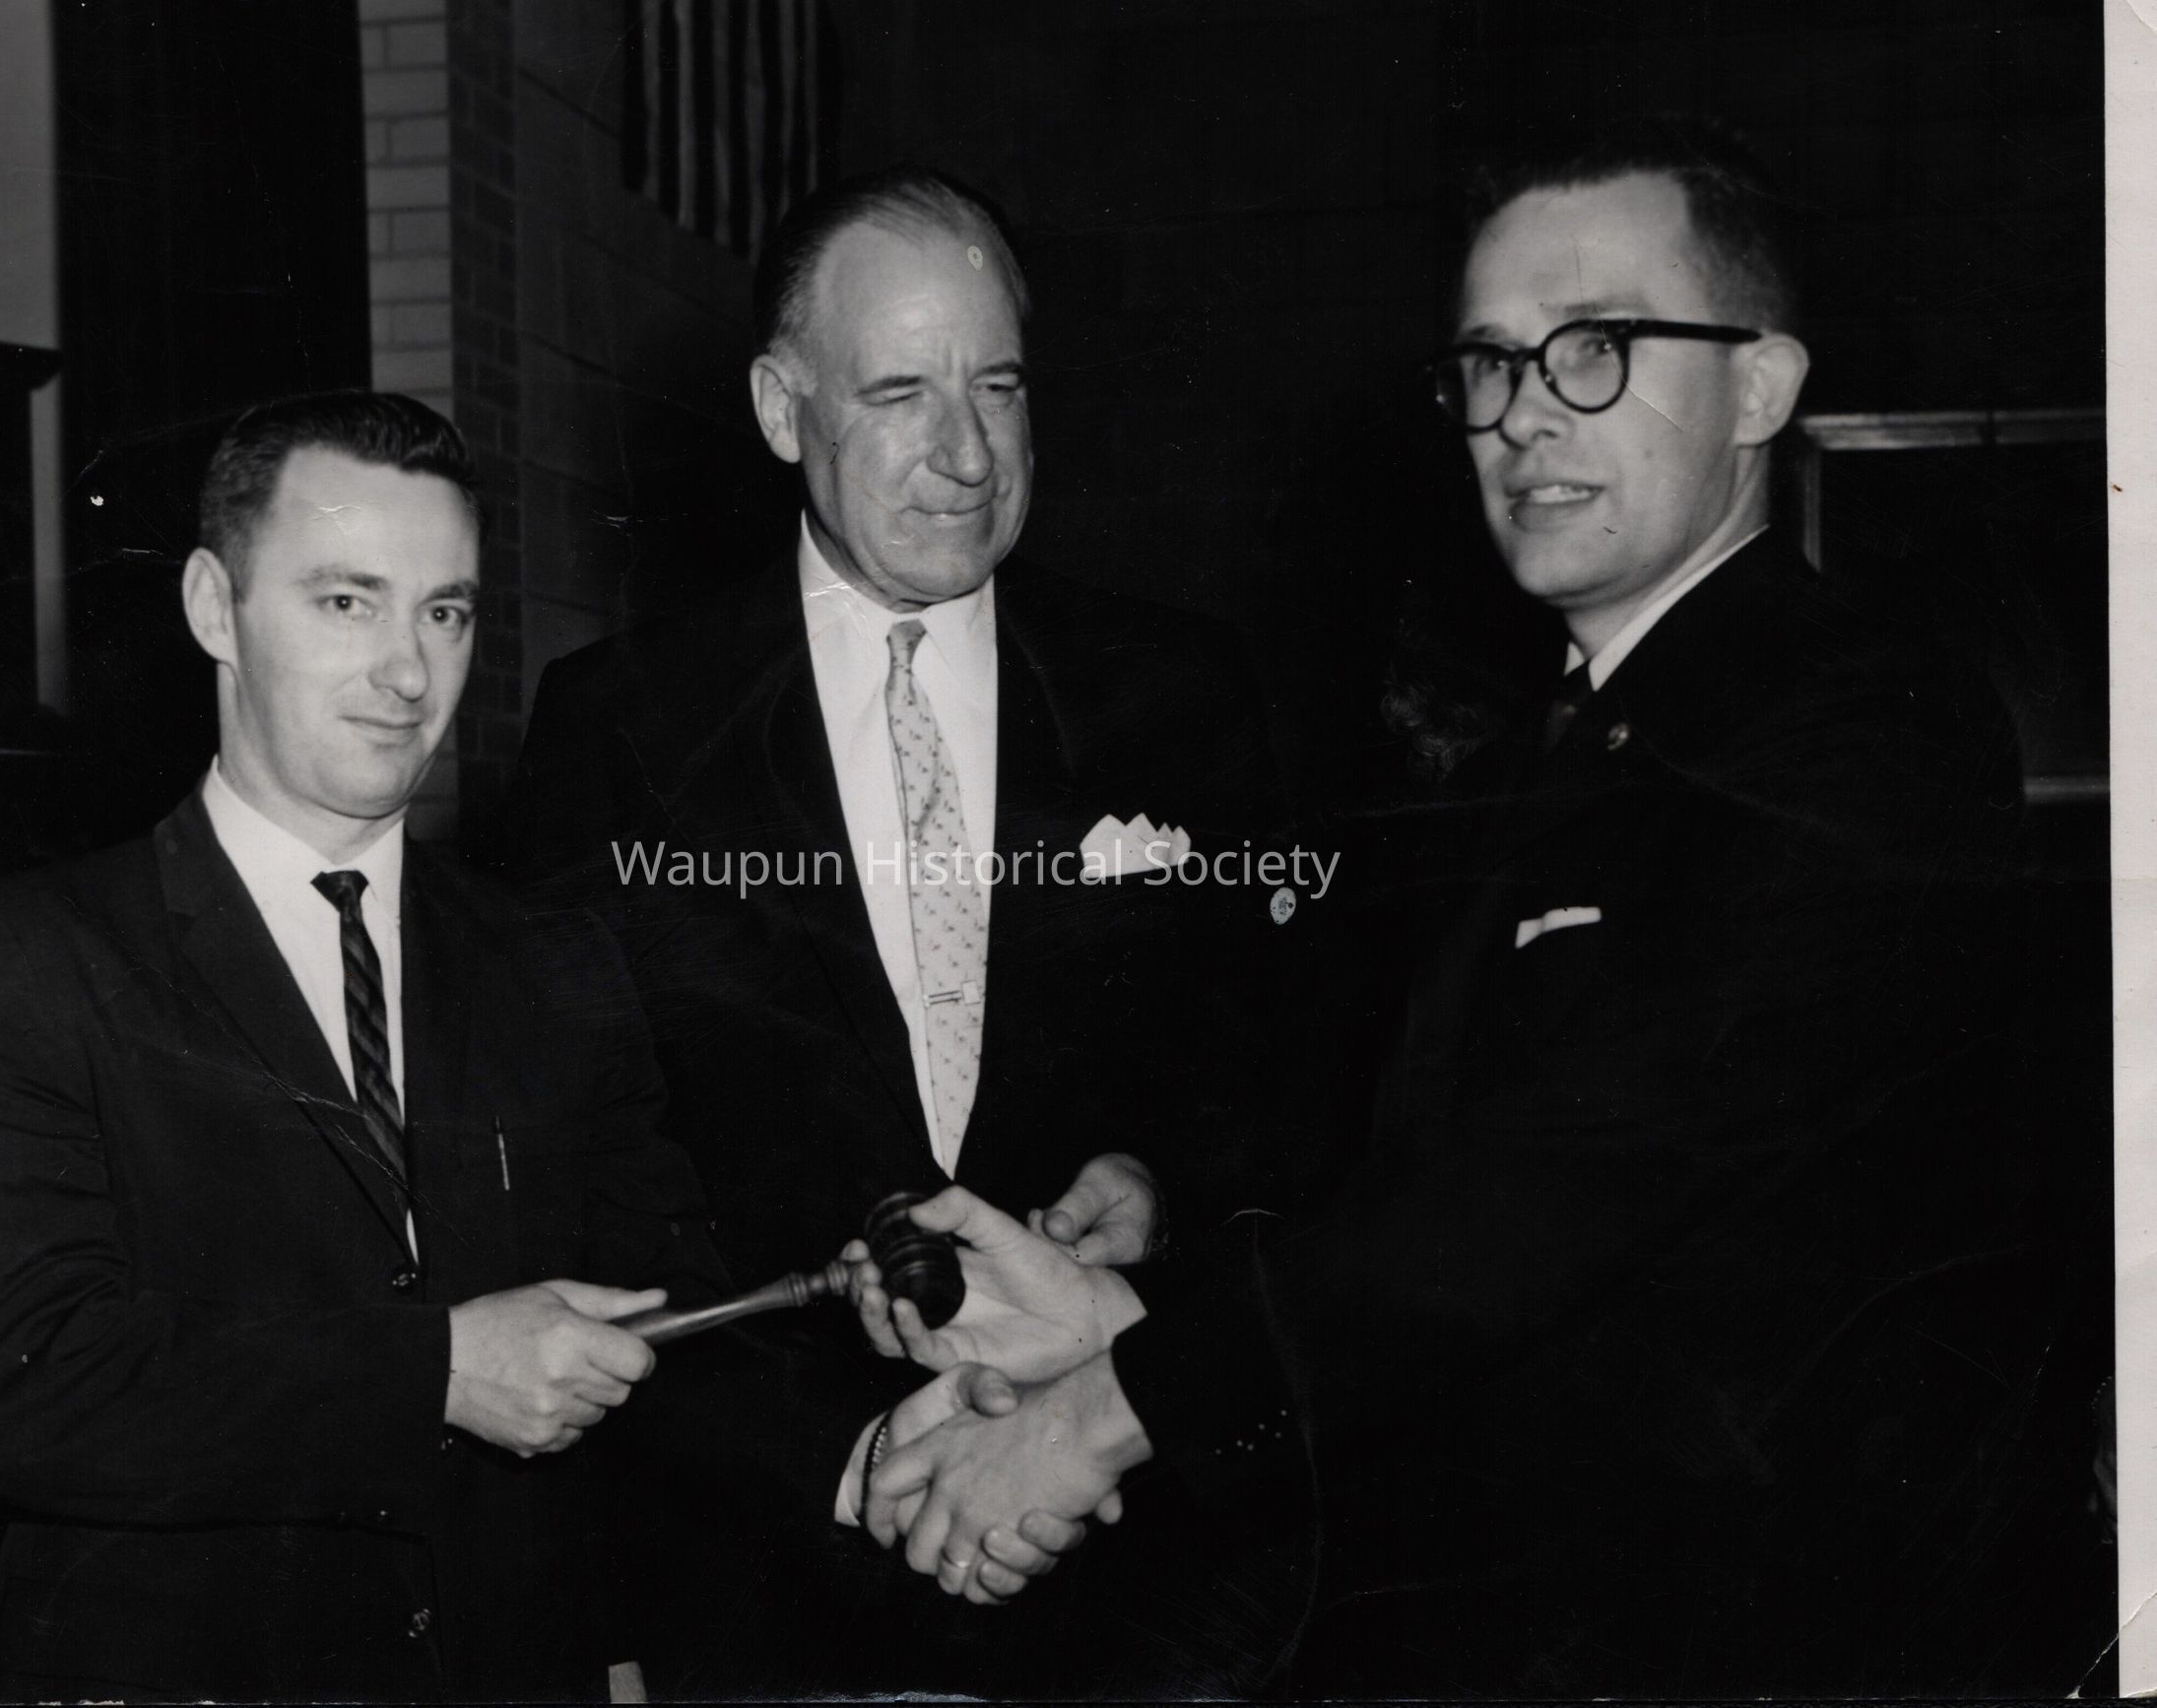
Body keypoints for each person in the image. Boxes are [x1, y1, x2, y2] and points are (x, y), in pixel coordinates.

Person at [862, 118, 2079, 1696]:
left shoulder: (1863, 728)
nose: (1524, 414)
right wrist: (1120, 1307)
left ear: (1762, 388)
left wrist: (1111, 1408)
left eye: (1597, 349)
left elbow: (1570, 1186)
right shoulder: (1535, 759)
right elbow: (1417, 1200)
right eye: (1492, 363)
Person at [508, 166, 1299, 1696]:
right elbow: (586, 1180)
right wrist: (848, 1452)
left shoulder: (1179, 691)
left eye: (997, 386)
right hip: (778, 1566)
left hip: (1130, 1569)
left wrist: (1160, 1184)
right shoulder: (620, 727)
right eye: (899, 394)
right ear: (780, 407)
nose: (968, 453)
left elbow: (1286, 1072)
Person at [0, 392, 735, 1701]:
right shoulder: (35, 956)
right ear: (212, 608)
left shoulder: (555, 956)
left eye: (445, 612)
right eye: (348, 601)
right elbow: (20, 1387)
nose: (408, 673)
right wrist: (434, 1372)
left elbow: (666, 1308)